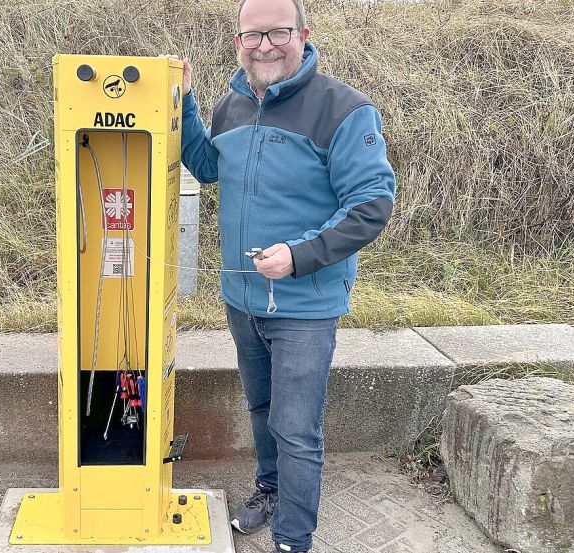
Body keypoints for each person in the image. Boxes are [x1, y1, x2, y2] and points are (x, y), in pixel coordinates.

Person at [176, 0, 396, 551]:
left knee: (297, 428)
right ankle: (269, 490)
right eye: (253, 36)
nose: (265, 46)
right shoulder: (232, 104)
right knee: (261, 408)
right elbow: (207, 166)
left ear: (303, 34)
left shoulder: (342, 110)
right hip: (242, 297)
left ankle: (293, 538)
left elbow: (372, 201)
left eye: (278, 33)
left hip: (304, 304)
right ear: (238, 43)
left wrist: (300, 256)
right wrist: (182, 102)